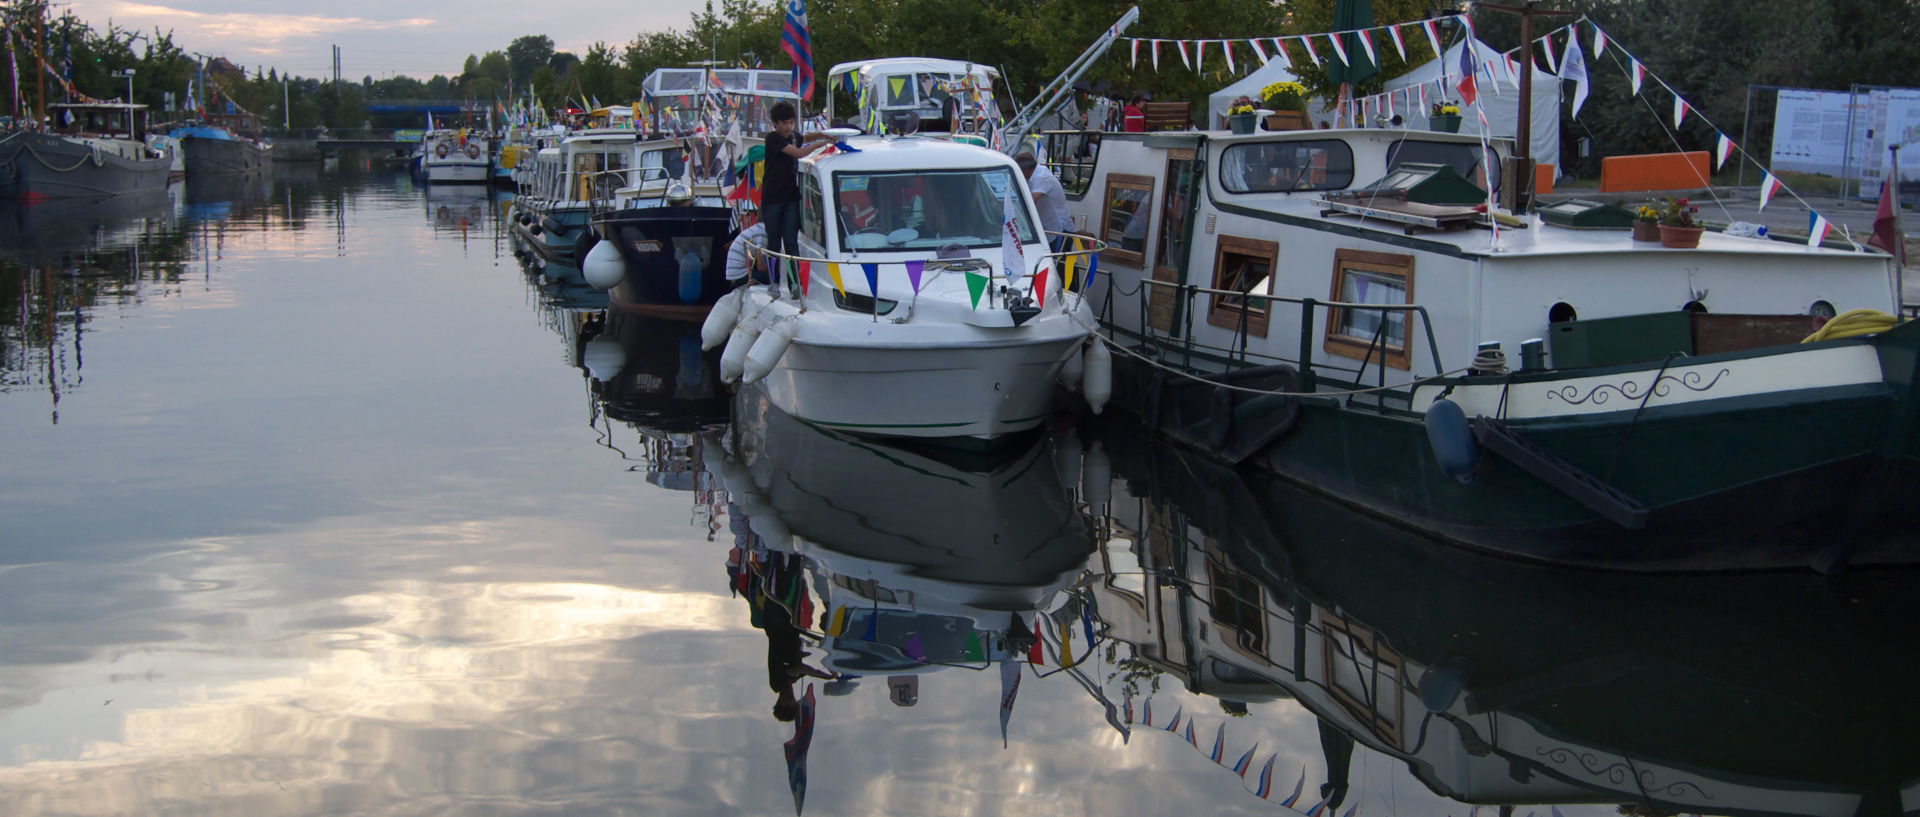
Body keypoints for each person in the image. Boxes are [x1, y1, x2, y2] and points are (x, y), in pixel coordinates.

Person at [761, 101, 834, 278]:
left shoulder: (793, 136)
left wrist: (825, 133)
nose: (788, 127)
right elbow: (798, 153)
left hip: (791, 197)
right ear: (775, 124)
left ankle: (795, 283)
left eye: (791, 123)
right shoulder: (773, 139)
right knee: (774, 243)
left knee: (791, 242)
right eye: (785, 123)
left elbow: (805, 138)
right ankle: (774, 281)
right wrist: (822, 143)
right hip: (772, 199)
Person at [1014, 152, 1069, 248]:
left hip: (1058, 232)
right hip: (1046, 231)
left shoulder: (1042, 177)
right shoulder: (1031, 175)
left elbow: (1030, 203)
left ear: (1023, 170)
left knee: (1056, 262)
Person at [726, 207, 768, 287]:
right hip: (741, 275)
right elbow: (761, 267)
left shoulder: (757, 228)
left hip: (734, 274)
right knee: (775, 277)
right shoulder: (763, 231)